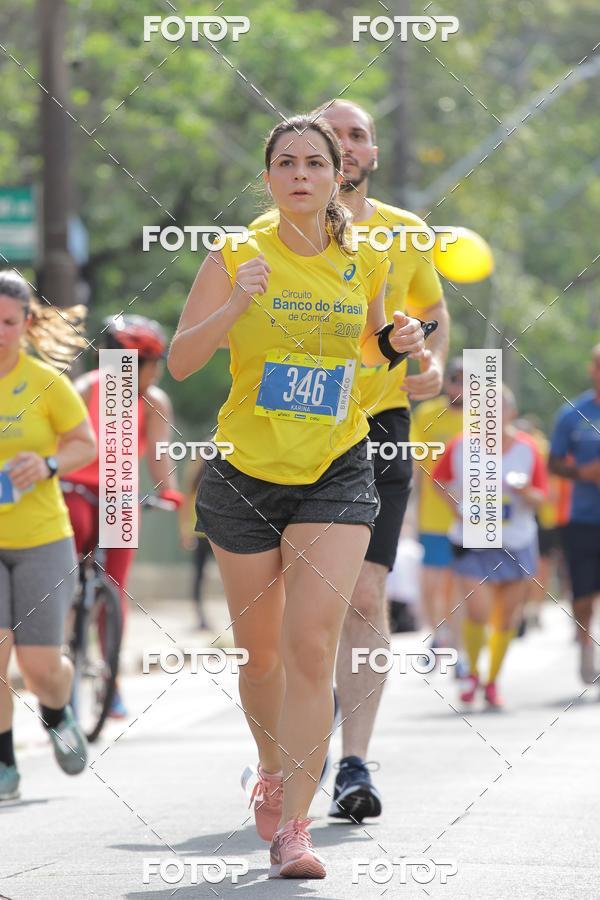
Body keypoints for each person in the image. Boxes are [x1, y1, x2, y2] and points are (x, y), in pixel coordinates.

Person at [168, 114, 427, 879]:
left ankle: (296, 830)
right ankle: (271, 769)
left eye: (317, 161)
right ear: (270, 177)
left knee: (313, 645)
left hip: (337, 467)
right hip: (247, 472)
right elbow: (182, 362)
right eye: (287, 163)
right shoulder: (237, 253)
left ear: (337, 172)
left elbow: (367, 348)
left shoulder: (367, 255)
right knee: (262, 655)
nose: (303, 174)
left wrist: (399, 344)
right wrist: (234, 306)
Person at [251, 99, 449, 823]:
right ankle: (287, 751)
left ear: (366, 153)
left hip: (379, 424)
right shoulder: (268, 237)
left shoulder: (404, 232)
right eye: (330, 136)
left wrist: (431, 363)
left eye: (357, 134)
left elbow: (431, 311)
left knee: (364, 595)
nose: (346, 145)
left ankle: (353, 760)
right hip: (291, 426)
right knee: (290, 605)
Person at [0, 269, 97, 800]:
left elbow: (85, 444)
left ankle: (58, 713)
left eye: (9, 322)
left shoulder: (45, 383)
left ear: (27, 323)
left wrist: (48, 462)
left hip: (41, 537)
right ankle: (3, 764)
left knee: (39, 666)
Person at [62, 314, 183, 717]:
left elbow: (159, 452)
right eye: (151, 361)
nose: (158, 370)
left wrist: (170, 491)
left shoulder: (154, 402)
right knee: (65, 573)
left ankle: (109, 680)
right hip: (76, 488)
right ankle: (62, 664)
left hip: (121, 493)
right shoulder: (85, 390)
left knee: (115, 586)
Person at [432, 386, 548, 708]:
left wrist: (524, 491)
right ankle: (471, 673)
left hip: (516, 541)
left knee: (507, 618)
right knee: (479, 611)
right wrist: (457, 506)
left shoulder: (528, 450)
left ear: (510, 413)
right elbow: (438, 479)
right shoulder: (462, 446)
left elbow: (541, 497)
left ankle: (492, 680)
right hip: (472, 540)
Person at [549, 344, 600, 685]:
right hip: (582, 519)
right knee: (582, 593)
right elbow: (552, 462)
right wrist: (583, 474)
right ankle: (585, 647)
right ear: (592, 370)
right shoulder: (572, 414)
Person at [411, 358, 464, 663]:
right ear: (446, 382)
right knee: (432, 581)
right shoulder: (427, 413)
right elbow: (414, 461)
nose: (460, 386)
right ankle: (438, 634)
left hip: (471, 517)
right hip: (434, 514)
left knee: (461, 582)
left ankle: (458, 643)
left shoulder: (484, 418)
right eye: (455, 379)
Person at [179, 457, 214, 630]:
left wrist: (185, 531)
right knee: (201, 576)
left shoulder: (199, 481)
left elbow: (185, 508)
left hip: (203, 533)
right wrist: (185, 532)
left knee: (200, 576)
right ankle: (201, 616)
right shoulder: (197, 481)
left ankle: (201, 615)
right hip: (207, 533)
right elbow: (185, 507)